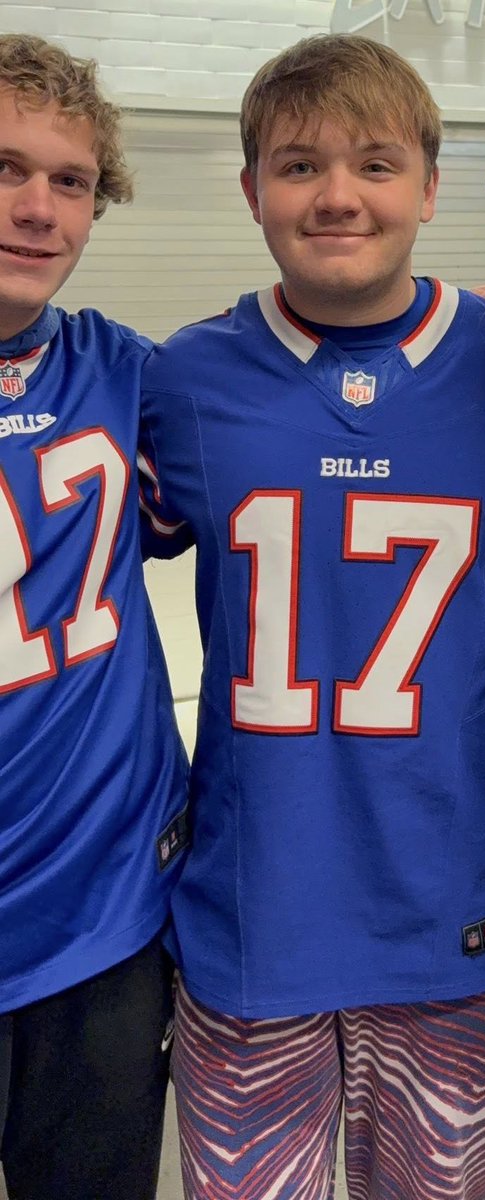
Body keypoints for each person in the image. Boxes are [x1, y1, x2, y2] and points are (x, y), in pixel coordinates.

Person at [138, 33, 485, 1200]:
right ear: (251, 191)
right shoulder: (181, 381)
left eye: (376, 164)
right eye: (299, 165)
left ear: (429, 187)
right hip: (251, 922)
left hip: (465, 918)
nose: (337, 196)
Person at [0, 34, 188, 1200]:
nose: (38, 208)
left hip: (99, 924)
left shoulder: (133, 379)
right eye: (5, 168)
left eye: (70, 180)